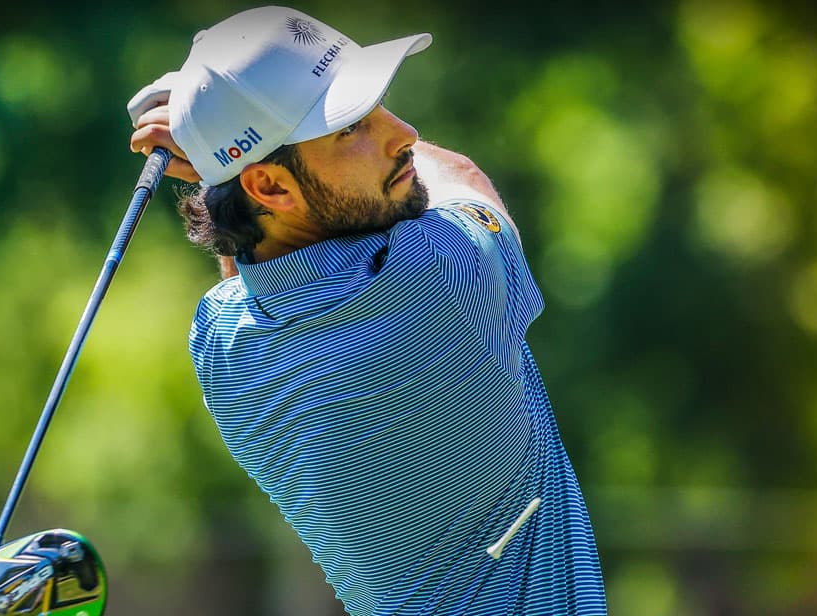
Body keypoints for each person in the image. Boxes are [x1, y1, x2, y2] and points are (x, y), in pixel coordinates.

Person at [129, 6, 607, 614]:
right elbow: (462, 175)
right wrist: (219, 156)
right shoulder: (439, 273)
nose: (402, 132)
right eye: (350, 126)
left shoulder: (219, 347)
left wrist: (225, 160)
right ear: (272, 187)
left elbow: (247, 261)